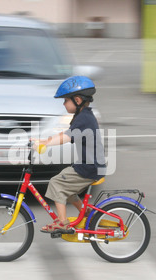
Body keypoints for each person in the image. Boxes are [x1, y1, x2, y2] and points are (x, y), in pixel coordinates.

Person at [34, 76, 106, 233]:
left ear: (78, 100)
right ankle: (86, 212)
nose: (63, 103)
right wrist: (44, 140)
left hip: (90, 167)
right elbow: (66, 133)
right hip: (91, 165)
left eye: (66, 100)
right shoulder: (84, 116)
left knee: (56, 183)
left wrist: (45, 143)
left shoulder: (84, 118)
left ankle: (62, 222)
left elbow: (66, 137)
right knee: (67, 187)